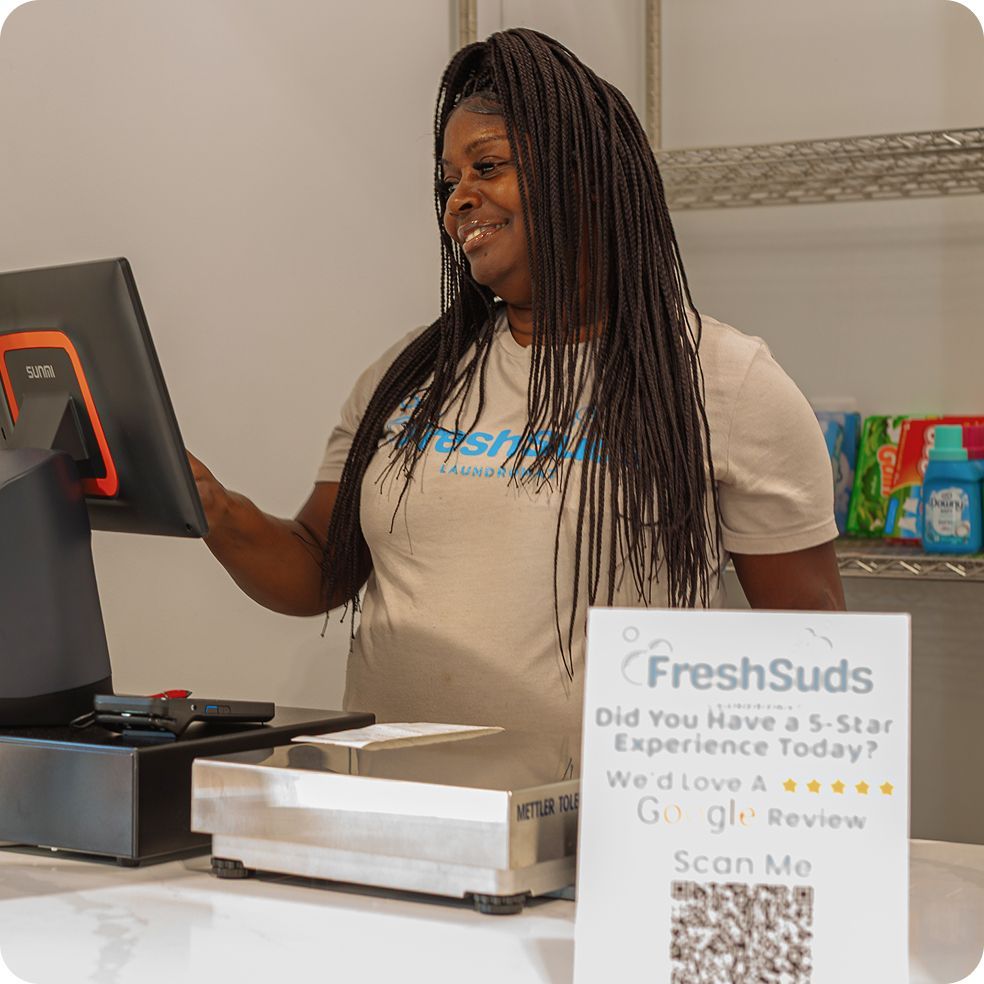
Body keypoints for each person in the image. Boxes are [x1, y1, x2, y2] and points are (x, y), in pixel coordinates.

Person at [190, 29, 845, 735]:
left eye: (487, 167)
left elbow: (808, 652)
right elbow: (322, 567)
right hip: (391, 818)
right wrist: (212, 507)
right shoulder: (406, 375)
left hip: (596, 833)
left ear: (584, 176)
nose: (456, 202)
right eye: (449, 181)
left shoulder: (726, 381)